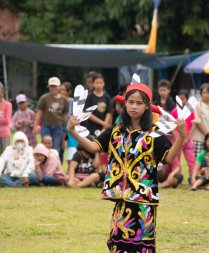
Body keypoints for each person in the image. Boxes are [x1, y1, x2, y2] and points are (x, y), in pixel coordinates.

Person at [67, 82, 186, 252]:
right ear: (125, 104)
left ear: (147, 107)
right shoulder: (116, 130)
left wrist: (182, 136)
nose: (134, 107)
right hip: (122, 199)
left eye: (139, 103)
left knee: (141, 247)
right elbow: (94, 147)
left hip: (143, 200)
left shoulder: (154, 133)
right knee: (117, 244)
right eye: (130, 102)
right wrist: (72, 131)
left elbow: (169, 157)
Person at [33, 77, 68, 161]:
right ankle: (44, 165)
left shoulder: (64, 100)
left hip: (58, 127)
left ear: (59, 87)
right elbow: (39, 113)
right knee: (45, 147)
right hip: (46, 126)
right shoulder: (44, 98)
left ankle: (55, 167)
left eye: (55, 86)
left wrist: (64, 130)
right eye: (51, 86)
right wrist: (35, 126)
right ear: (49, 87)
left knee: (56, 148)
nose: (53, 88)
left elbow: (65, 116)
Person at [191, 83, 209, 157]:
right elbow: (197, 122)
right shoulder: (197, 105)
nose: (206, 95)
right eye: (204, 93)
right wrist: (207, 135)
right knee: (198, 160)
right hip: (198, 138)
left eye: (208, 93)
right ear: (201, 94)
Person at [60, 81, 78, 167]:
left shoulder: (72, 101)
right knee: (60, 148)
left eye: (64, 90)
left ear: (69, 91)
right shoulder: (58, 100)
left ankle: (70, 167)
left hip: (70, 127)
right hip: (60, 126)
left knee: (71, 148)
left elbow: (74, 114)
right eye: (61, 90)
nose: (62, 92)